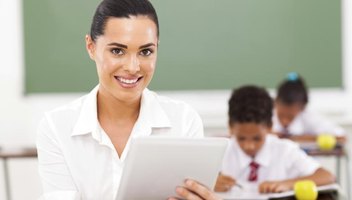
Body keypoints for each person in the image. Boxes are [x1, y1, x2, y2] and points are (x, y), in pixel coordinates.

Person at [36, 0, 220, 199]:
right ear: (91, 47)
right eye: (117, 51)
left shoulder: (183, 120)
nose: (133, 67)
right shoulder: (56, 127)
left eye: (145, 52)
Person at [215, 85, 335, 193]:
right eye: (241, 138)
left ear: (270, 127)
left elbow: (327, 176)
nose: (249, 146)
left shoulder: (285, 150)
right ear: (230, 127)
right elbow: (197, 181)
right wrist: (210, 183)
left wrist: (287, 184)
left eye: (257, 139)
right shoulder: (220, 151)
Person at [272, 72, 346, 143]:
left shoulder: (307, 116)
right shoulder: (266, 113)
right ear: (275, 102)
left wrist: (298, 138)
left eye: (290, 117)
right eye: (281, 115)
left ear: (302, 109)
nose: (285, 121)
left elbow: (341, 136)